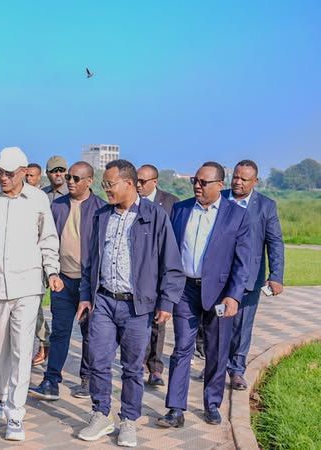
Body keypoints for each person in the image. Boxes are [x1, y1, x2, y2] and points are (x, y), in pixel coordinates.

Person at [76, 160, 185, 447]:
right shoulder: (102, 216)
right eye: (104, 184)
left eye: (109, 184)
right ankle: (101, 414)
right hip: (104, 301)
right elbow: (90, 261)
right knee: (98, 360)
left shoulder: (154, 216)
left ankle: (128, 420)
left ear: (128, 183)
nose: (106, 189)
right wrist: (86, 296)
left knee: (132, 368)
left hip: (137, 307)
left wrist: (167, 302)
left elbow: (171, 263)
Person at [0, 146, 64, 441]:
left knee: (22, 349)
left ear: (23, 172)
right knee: (0, 350)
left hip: (28, 286)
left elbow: (48, 239)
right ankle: (4, 395)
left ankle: (16, 414)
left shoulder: (38, 200)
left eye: (9, 173)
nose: (3, 177)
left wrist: (52, 271)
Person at [157, 161, 250, 429]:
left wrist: (233, 296)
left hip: (220, 293)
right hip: (185, 290)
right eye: (194, 181)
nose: (197, 186)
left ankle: (212, 403)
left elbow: (242, 262)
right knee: (182, 348)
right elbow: (169, 252)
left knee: (216, 350)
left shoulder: (237, 215)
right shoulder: (181, 209)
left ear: (220, 185)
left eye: (203, 182)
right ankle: (175, 408)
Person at [29, 161, 105, 402]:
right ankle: (51, 381)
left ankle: (87, 379)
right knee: (60, 332)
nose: (70, 181)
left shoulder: (101, 209)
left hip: (88, 284)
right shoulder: (57, 206)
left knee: (90, 333)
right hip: (62, 280)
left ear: (89, 181)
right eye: (69, 177)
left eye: (76, 178)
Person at [224, 160, 284, 391]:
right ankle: (216, 364)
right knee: (215, 322)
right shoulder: (220, 198)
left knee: (242, 325)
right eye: (235, 177)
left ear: (255, 181)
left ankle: (236, 370)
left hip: (249, 276)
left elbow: (275, 242)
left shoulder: (265, 206)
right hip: (218, 276)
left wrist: (276, 275)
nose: (238, 182)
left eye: (244, 179)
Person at [136, 164, 180, 387]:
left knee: (158, 320)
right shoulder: (133, 202)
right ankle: (139, 363)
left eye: (143, 181)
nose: (138, 185)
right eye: (136, 180)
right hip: (140, 270)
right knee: (139, 319)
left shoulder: (171, 203)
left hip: (162, 269)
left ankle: (155, 367)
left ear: (154, 182)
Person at [32, 155, 68, 366]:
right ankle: (44, 341)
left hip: (65, 261)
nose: (58, 174)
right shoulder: (40, 196)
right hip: (40, 257)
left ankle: (58, 353)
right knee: (34, 303)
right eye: (55, 171)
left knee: (59, 310)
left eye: (61, 170)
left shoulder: (72, 195)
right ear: (48, 173)